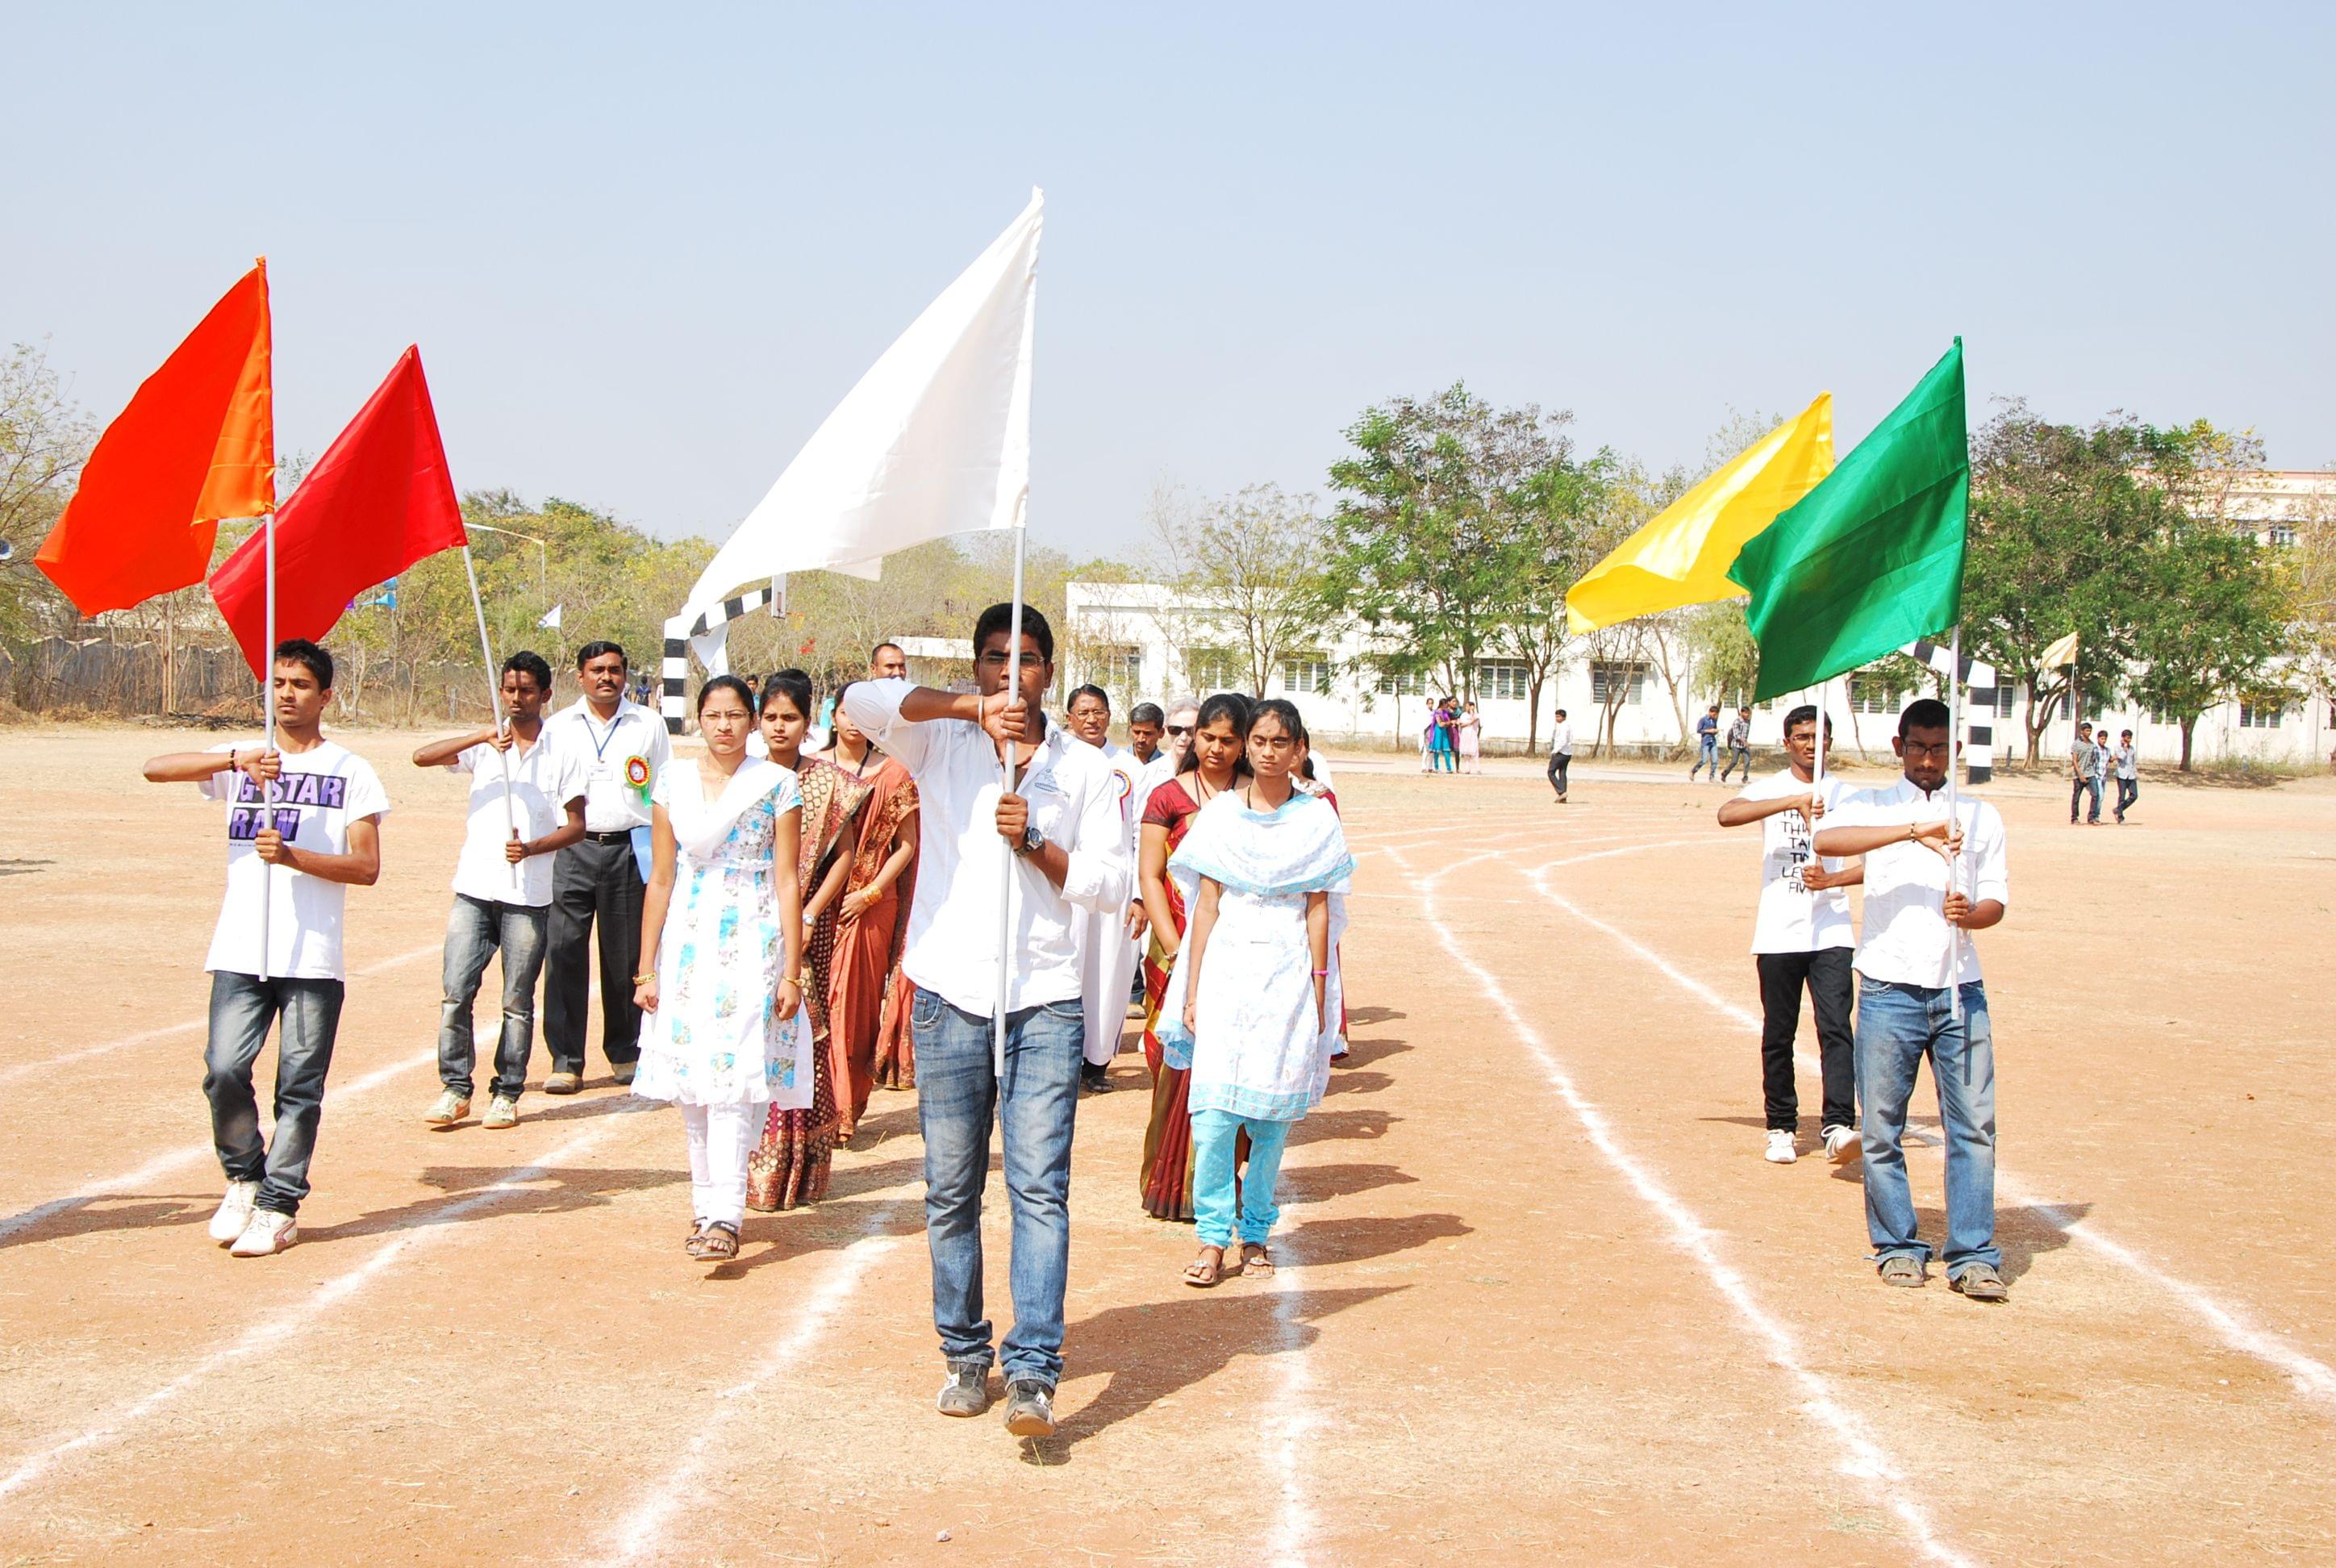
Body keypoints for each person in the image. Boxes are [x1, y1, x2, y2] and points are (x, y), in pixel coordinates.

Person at [841, 603, 1130, 1440]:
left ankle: (1033, 1371)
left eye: (1027, 659)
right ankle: (965, 1355)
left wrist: (1036, 841)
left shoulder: (1084, 769)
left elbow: (1112, 886)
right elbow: (860, 702)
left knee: (1039, 1188)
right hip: (949, 993)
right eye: (996, 658)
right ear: (975, 666)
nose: (1011, 673)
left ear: (1050, 671)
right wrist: (970, 711)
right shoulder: (941, 741)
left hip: (1043, 998)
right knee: (950, 1189)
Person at [141, 639, 388, 1257]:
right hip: (240, 950)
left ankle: (279, 1205)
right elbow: (154, 768)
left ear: (325, 696)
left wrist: (295, 856)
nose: (286, 694)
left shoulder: (350, 770)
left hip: (311, 959)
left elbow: (366, 867)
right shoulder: (247, 759)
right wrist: (235, 758)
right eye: (278, 683)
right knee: (224, 1070)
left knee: (298, 1089)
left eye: (300, 685)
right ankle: (245, 1178)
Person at [1815, 698, 2011, 1303]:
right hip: (1887, 990)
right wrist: (1913, 830)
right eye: (1918, 748)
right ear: (1899, 747)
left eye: (1939, 748)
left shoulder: (1979, 816)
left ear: (1955, 750)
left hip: (1959, 991)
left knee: (1973, 1127)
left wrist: (1970, 914)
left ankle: (1972, 1254)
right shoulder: (1874, 805)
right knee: (1881, 1129)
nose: (1928, 760)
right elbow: (1828, 837)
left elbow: (1996, 901)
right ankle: (1897, 1245)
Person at [1158, 699, 1351, 1286]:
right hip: (1226, 972)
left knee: (1271, 1119)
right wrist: (1192, 990)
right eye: (1259, 741)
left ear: (1298, 750)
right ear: (1248, 745)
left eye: (1279, 742)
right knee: (1213, 1118)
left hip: (1287, 975)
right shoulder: (1220, 817)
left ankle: (1257, 1233)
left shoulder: (1316, 819)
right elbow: (1205, 908)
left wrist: (1319, 990)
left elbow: (1318, 910)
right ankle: (1212, 1238)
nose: (1268, 752)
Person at [632, 675, 812, 1263]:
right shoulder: (672, 781)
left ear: (752, 720)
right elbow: (661, 878)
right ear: (699, 719)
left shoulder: (777, 784)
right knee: (691, 1075)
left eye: (736, 715)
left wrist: (791, 969)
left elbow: (787, 879)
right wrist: (646, 968)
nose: (725, 726)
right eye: (714, 715)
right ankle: (702, 1202)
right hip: (689, 937)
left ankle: (726, 1215)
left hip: (753, 935)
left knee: (735, 1074)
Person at [411, 651, 587, 1131]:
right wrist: (482, 737)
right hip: (473, 888)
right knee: (456, 992)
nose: (515, 698)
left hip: (527, 896)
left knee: (516, 1001)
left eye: (526, 690)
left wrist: (531, 848)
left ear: (545, 694)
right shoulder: (486, 745)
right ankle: (455, 1087)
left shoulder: (564, 752)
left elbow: (576, 826)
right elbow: (422, 757)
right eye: (509, 689)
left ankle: (507, 1091)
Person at [1717, 705, 1863, 1166]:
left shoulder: (1851, 797)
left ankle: (1838, 1125)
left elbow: (1879, 861)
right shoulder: (1771, 787)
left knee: (1836, 1028)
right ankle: (1781, 1126)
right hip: (1779, 931)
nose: (1811, 744)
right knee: (1779, 1032)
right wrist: (1792, 801)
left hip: (1831, 929)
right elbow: (1727, 814)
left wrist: (1834, 880)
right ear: (1787, 743)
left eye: (1819, 736)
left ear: (1831, 742)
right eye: (1802, 736)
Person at [746, 669, 870, 1211]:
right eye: (771, 717)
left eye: (790, 718)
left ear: (807, 722)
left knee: (803, 1034)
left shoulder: (831, 783)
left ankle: (800, 1168)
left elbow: (844, 855)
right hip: (750, 923)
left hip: (808, 926)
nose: (780, 727)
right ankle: (751, 1164)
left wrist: (812, 913)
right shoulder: (743, 778)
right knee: (749, 1033)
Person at [1137, 692, 1252, 1220]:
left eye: (1228, 740)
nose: (1216, 748)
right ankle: (1167, 1183)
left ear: (1242, 743)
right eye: (1208, 737)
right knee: (1170, 1059)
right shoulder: (1168, 796)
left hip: (1237, 949)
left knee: (1232, 1065)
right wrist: (1177, 948)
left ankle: (1216, 1182)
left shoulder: (1255, 797)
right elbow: (1150, 876)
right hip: (1175, 946)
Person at [543, 640, 670, 1095]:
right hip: (572, 848)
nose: (606, 678)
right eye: (597, 670)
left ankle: (625, 1051)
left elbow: (663, 788)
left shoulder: (648, 724)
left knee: (625, 955)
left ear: (625, 674)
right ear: (580, 676)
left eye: (615, 670)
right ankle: (566, 1060)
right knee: (564, 952)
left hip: (628, 847)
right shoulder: (558, 726)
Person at [824, 680, 921, 1141]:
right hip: (818, 904)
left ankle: (845, 1107)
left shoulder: (895, 773)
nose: (852, 723)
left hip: (871, 906)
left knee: (854, 1008)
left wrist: (870, 893)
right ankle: (819, 1105)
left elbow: (907, 846)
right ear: (833, 717)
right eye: (845, 713)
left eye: (860, 715)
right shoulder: (814, 770)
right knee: (818, 1006)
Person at [1065, 683, 1145, 1094]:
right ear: (1069, 718)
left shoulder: (1130, 768)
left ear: (1110, 717)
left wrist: (1139, 895)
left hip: (1117, 883)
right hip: (1068, 878)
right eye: (1083, 713)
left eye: (1098, 712)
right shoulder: (1057, 760)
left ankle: (1096, 1062)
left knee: (1109, 971)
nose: (1092, 720)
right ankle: (1062, 1057)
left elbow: (1142, 833)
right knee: (1067, 967)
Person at [2068, 722, 2101, 825]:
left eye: (2090, 731)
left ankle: (2092, 817)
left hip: (2090, 773)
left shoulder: (2092, 745)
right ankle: (2074, 818)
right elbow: (2074, 760)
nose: (2089, 732)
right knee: (2076, 797)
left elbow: (2094, 759)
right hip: (2079, 775)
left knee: (2096, 794)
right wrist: (2080, 775)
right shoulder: (2076, 744)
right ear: (2082, 731)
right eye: (2087, 730)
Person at [1721, 707, 1754, 785]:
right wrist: (1744, 742)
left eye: (1748, 713)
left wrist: (1745, 742)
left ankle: (1745, 778)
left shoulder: (1748, 722)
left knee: (1747, 761)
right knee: (1734, 762)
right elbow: (1736, 735)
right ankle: (1725, 773)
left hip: (1744, 745)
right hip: (1736, 745)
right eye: (1745, 713)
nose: (1747, 715)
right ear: (1741, 713)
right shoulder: (1737, 722)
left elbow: (1745, 733)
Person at [1127, 702, 1166, 767]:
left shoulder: (1169, 767)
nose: (1140, 739)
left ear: (1161, 733)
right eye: (1137, 732)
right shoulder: (1115, 760)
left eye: (1148, 734)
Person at [1548, 708, 1574, 803]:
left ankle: (1561, 791)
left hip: (1561, 753)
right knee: (1562, 773)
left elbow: (1563, 741)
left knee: (1551, 772)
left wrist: (1555, 751)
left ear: (1564, 717)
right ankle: (1563, 798)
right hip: (1567, 753)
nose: (1557, 718)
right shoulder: (1567, 726)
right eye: (1556, 716)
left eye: (1558, 717)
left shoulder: (1563, 727)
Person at [2113, 729, 2139, 823]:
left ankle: (2118, 809)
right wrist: (2124, 748)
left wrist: (2135, 771)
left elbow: (2133, 761)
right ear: (2123, 738)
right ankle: (2120, 816)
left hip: (2131, 775)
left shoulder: (2132, 749)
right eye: (2127, 738)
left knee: (2134, 795)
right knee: (2122, 796)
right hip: (2122, 775)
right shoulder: (2118, 747)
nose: (2129, 740)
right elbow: (2121, 757)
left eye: (2130, 738)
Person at [1691, 703, 1721, 781]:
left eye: (1716, 715)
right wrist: (1709, 731)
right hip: (1705, 742)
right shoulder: (1703, 720)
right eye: (1714, 714)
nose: (1715, 716)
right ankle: (1694, 770)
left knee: (1715, 760)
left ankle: (1712, 777)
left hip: (1713, 742)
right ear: (1710, 712)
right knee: (1704, 760)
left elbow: (1714, 729)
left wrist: (1715, 731)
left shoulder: (1714, 721)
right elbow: (1699, 730)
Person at [1455, 700, 1483, 775]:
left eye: (1468, 706)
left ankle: (1478, 769)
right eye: (1466, 706)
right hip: (1465, 735)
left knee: (1475, 752)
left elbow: (1474, 720)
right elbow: (1461, 725)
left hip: (1473, 735)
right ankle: (1467, 769)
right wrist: (1469, 723)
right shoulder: (1463, 715)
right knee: (1466, 753)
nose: (1467, 708)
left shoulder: (1476, 715)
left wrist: (1472, 712)